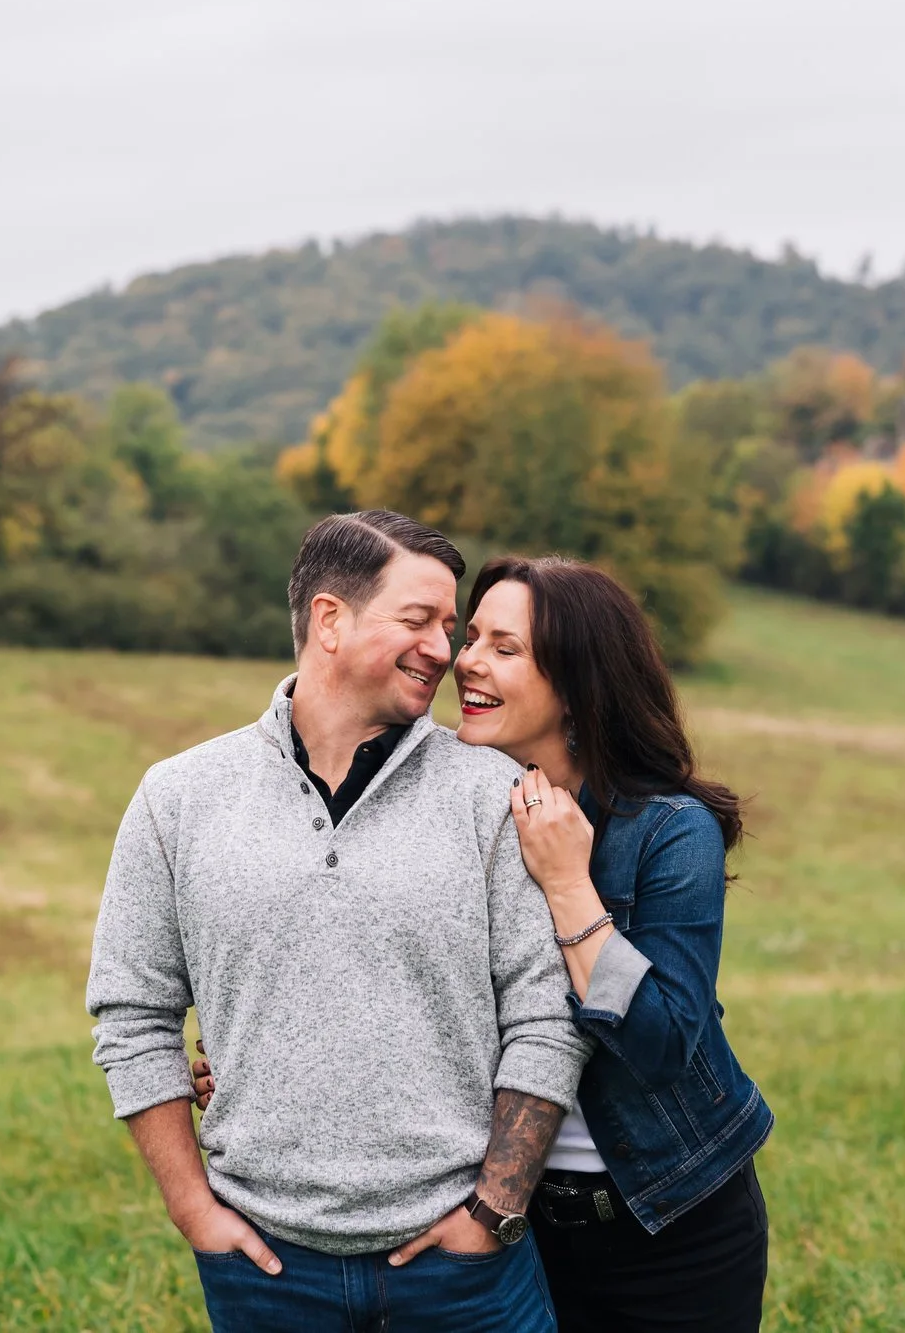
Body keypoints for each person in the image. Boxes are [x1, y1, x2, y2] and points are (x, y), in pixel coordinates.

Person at [86, 510, 588, 1332]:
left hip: (463, 1276)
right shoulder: (179, 798)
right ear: (330, 619)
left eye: (449, 625)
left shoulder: (488, 794)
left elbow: (546, 1013)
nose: (445, 649)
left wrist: (493, 1210)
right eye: (418, 620)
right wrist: (193, 1211)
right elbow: (132, 1014)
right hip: (266, 1270)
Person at [456, 555, 773, 1332]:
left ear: (577, 682)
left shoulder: (670, 832)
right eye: (471, 638)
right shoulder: (459, 815)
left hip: (675, 1224)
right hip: (516, 1223)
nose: (465, 660)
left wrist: (569, 881)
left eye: (504, 647)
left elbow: (661, 1042)